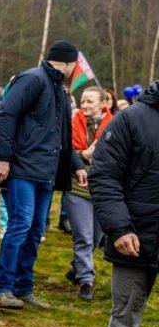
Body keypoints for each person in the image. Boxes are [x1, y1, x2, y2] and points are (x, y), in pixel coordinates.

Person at [0, 40, 87, 309]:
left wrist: (76, 164)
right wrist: (3, 158)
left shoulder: (59, 89)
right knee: (20, 225)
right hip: (22, 168)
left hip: (46, 172)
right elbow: (7, 116)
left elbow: (62, 136)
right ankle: (3, 288)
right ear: (68, 63)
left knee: (35, 230)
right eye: (75, 64)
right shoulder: (32, 79)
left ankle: (23, 288)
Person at [90, 80, 159, 327]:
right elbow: (104, 175)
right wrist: (119, 229)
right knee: (126, 319)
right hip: (136, 238)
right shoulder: (131, 120)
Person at [65, 86, 112, 302]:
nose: (84, 105)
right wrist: (83, 154)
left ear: (103, 103)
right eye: (82, 101)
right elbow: (64, 151)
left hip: (104, 189)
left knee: (95, 238)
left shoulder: (115, 125)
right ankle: (86, 281)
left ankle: (76, 267)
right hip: (77, 187)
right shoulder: (72, 123)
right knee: (83, 236)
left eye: (89, 102)